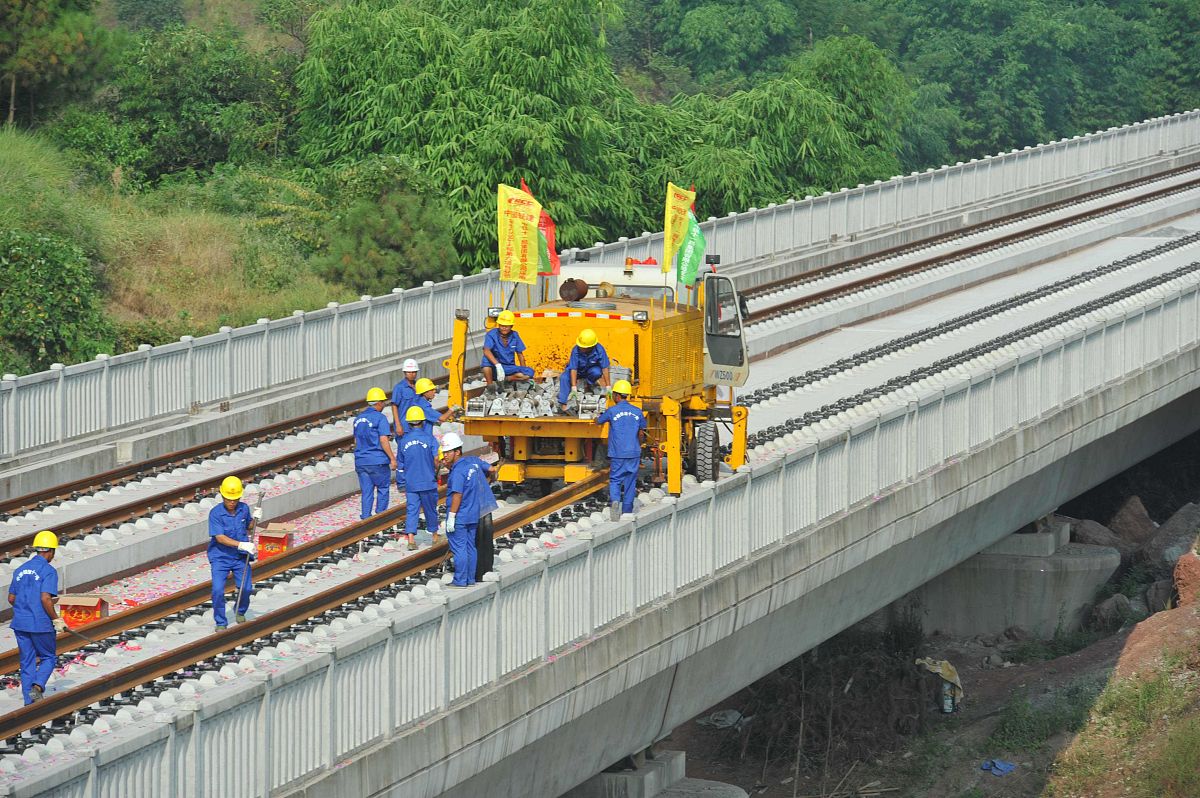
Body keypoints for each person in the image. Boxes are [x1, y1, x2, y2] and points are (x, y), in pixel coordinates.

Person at [8, 530, 65, 704]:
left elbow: (11, 598)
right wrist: (56, 619)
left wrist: (25, 608)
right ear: (51, 551)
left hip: (20, 623)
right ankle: (38, 686)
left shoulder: (20, 569)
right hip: (40, 623)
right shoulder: (48, 571)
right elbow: (45, 598)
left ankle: (29, 702)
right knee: (48, 657)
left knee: (27, 662)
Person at [442, 432, 498, 587]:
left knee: (459, 548)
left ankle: (460, 580)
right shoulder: (472, 462)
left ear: (457, 452)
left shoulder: (458, 471)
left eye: (448, 452)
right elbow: (492, 469)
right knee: (470, 547)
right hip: (473, 514)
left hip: (460, 514)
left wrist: (451, 516)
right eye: (444, 452)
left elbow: (457, 495)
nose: (445, 455)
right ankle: (470, 579)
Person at [207, 476, 261, 631]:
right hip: (221, 557)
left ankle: (240, 611)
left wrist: (255, 519)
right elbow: (220, 538)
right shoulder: (215, 513)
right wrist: (241, 544)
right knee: (218, 590)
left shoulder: (243, 508)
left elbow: (249, 526)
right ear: (222, 496)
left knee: (246, 588)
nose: (232, 502)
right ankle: (220, 622)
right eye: (229, 499)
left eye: (235, 499)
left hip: (240, 557)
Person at [594, 380, 647, 521]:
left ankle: (615, 501)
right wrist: (638, 446)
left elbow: (599, 421)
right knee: (630, 481)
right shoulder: (637, 411)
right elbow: (641, 433)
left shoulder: (612, 411)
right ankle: (627, 510)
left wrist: (595, 418)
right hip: (633, 453)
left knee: (615, 479)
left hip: (617, 453)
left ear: (617, 396)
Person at [399, 405, 440, 551]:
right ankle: (435, 537)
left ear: (409, 423)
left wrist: (401, 483)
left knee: (412, 510)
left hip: (411, 483)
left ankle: (411, 540)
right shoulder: (429, 439)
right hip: (428, 481)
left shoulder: (403, 441)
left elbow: (400, 464)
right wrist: (436, 471)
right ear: (422, 422)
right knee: (430, 509)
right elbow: (436, 459)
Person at [355, 387, 398, 520]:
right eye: (383, 402)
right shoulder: (380, 418)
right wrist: (392, 459)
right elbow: (383, 440)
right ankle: (380, 519)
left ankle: (366, 519)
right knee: (383, 489)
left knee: (366, 492)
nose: (384, 405)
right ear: (378, 403)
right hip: (377, 461)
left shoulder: (358, 419)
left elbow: (356, 441)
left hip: (361, 461)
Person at [557, 328, 611, 412]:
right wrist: (574, 388)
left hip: (590, 371)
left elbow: (604, 368)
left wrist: (608, 387)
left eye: (583, 347)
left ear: (590, 347)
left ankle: (588, 385)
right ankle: (563, 405)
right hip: (578, 371)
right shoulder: (576, 350)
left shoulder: (599, 349)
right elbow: (573, 369)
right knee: (564, 377)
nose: (580, 348)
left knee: (596, 372)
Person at [390, 358, 421, 489]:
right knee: (403, 454)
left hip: (417, 426)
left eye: (414, 372)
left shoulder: (419, 386)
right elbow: (394, 406)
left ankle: (414, 478)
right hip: (404, 427)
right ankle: (402, 482)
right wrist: (398, 424)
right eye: (409, 372)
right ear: (404, 373)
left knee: (416, 452)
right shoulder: (399, 388)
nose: (412, 374)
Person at [482, 310, 534, 387]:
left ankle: (506, 379)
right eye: (501, 325)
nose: (504, 328)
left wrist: (523, 370)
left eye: (506, 326)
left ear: (511, 326)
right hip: (495, 368)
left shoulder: (515, 335)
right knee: (486, 360)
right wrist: (497, 365)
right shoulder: (492, 334)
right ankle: (490, 386)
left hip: (509, 367)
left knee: (528, 373)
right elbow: (486, 350)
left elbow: (520, 354)